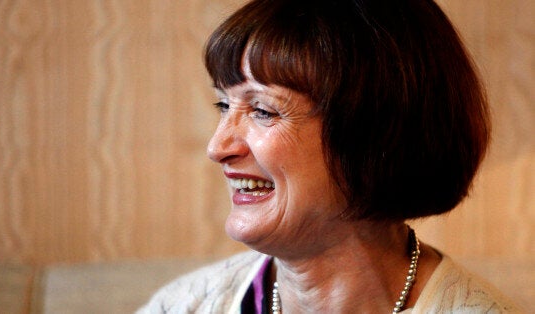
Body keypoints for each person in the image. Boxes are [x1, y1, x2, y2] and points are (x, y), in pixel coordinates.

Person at [139, 0, 521, 313]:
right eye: (223, 104)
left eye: (264, 111)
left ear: (375, 133)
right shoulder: (184, 306)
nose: (217, 147)